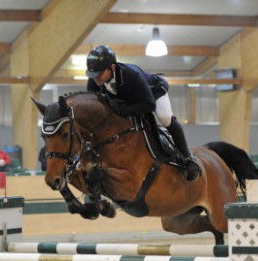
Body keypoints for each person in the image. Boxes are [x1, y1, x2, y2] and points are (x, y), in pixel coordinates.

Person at [85, 45, 201, 181]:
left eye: (98, 74)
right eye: (93, 75)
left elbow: (149, 104)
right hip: (130, 99)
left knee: (164, 118)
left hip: (153, 93)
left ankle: (188, 158)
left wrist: (124, 110)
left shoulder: (131, 74)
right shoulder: (94, 81)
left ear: (112, 67)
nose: (95, 78)